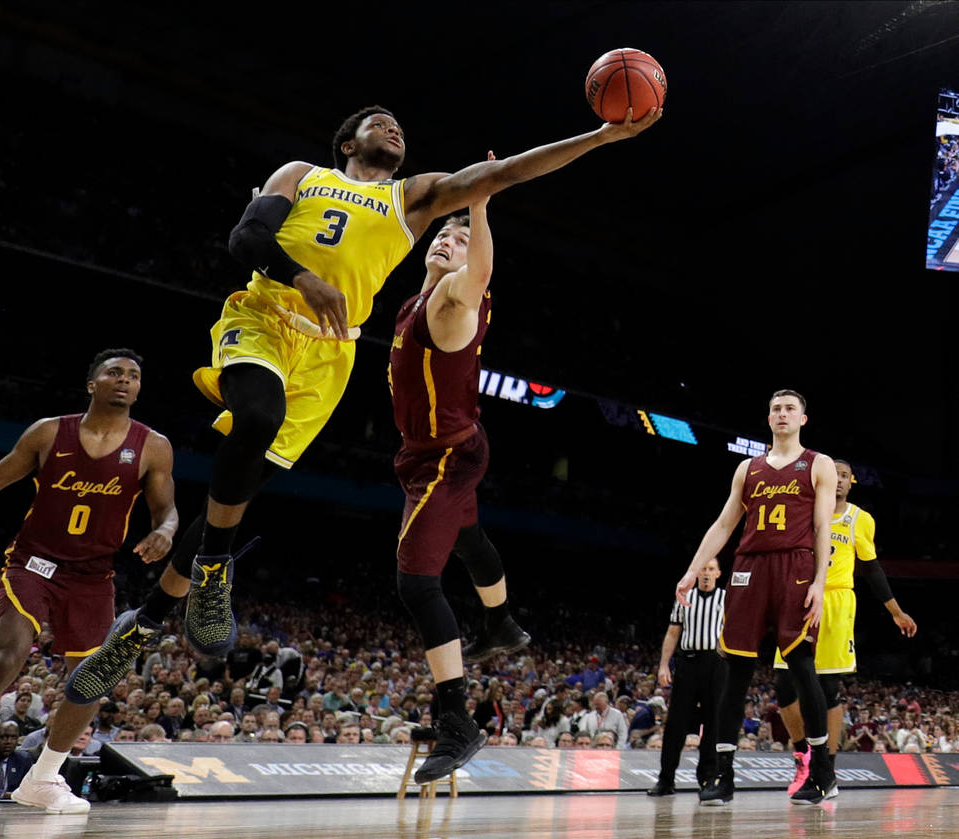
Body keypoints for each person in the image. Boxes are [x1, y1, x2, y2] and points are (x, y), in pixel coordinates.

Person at [66, 103, 663, 703]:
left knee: (236, 492)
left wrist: (603, 135)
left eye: (400, 125)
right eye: (379, 123)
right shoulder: (302, 174)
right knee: (256, 417)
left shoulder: (414, 200)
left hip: (331, 354)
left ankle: (138, 629)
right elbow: (245, 238)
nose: (395, 128)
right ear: (347, 142)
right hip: (265, 316)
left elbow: (506, 173)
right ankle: (216, 568)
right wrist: (303, 277)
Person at [0, 349, 178, 819]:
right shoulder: (50, 432)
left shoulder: (153, 446)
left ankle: (43, 778)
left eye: (134, 376)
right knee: (5, 660)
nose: (125, 381)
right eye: (114, 372)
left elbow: (166, 510)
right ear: (91, 384)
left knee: (90, 682)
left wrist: (165, 531)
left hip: (93, 577)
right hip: (33, 564)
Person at [389, 181, 545, 782]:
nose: (447, 242)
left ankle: (457, 720)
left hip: (443, 458)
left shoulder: (454, 299)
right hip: (447, 446)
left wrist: (477, 206)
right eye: (440, 234)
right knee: (468, 537)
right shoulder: (417, 299)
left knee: (416, 583)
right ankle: (501, 621)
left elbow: (476, 272)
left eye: (459, 238)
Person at [675, 390, 836, 806]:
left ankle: (823, 772)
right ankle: (722, 776)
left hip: (795, 566)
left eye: (790, 409)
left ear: (803, 419)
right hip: (749, 567)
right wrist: (694, 569)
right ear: (768, 419)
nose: (782, 414)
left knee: (802, 666)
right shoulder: (748, 468)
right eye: (776, 409)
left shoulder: (818, 464)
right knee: (735, 672)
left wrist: (820, 580)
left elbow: (822, 528)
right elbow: (725, 522)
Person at [772, 458, 917, 797]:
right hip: (800, 600)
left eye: (844, 475)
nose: (837, 480)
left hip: (836, 603)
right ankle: (803, 755)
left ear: (851, 483)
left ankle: (828, 771)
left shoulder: (859, 519)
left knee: (827, 688)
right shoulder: (803, 512)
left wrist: (895, 611)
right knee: (783, 684)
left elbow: (871, 569)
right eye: (833, 474)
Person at [648, 558, 727, 796]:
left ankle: (708, 780)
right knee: (676, 723)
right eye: (703, 568)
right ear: (696, 573)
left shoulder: (726, 598)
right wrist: (664, 664)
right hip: (688, 663)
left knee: (714, 724)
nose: (706, 573)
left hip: (715, 664)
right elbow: (673, 632)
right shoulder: (684, 596)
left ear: (718, 573)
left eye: (711, 569)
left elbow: (734, 630)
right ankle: (666, 779)